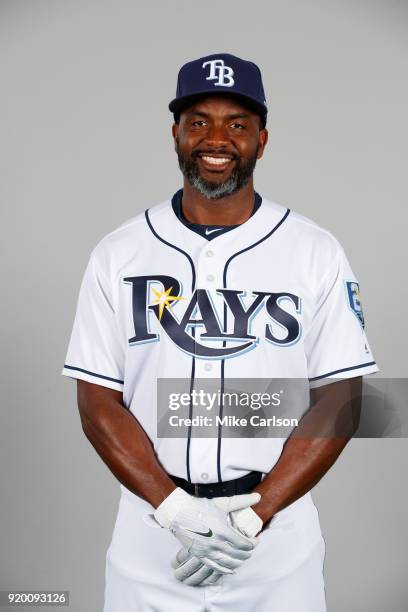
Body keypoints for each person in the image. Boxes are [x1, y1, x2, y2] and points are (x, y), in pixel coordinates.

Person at [62, 53, 379, 611]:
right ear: (176, 134)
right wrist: (174, 508)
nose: (217, 138)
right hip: (150, 531)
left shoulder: (313, 250)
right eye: (198, 121)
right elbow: (95, 401)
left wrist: (258, 513)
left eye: (237, 124)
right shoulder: (119, 252)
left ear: (262, 139)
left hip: (278, 535)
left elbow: (343, 398)